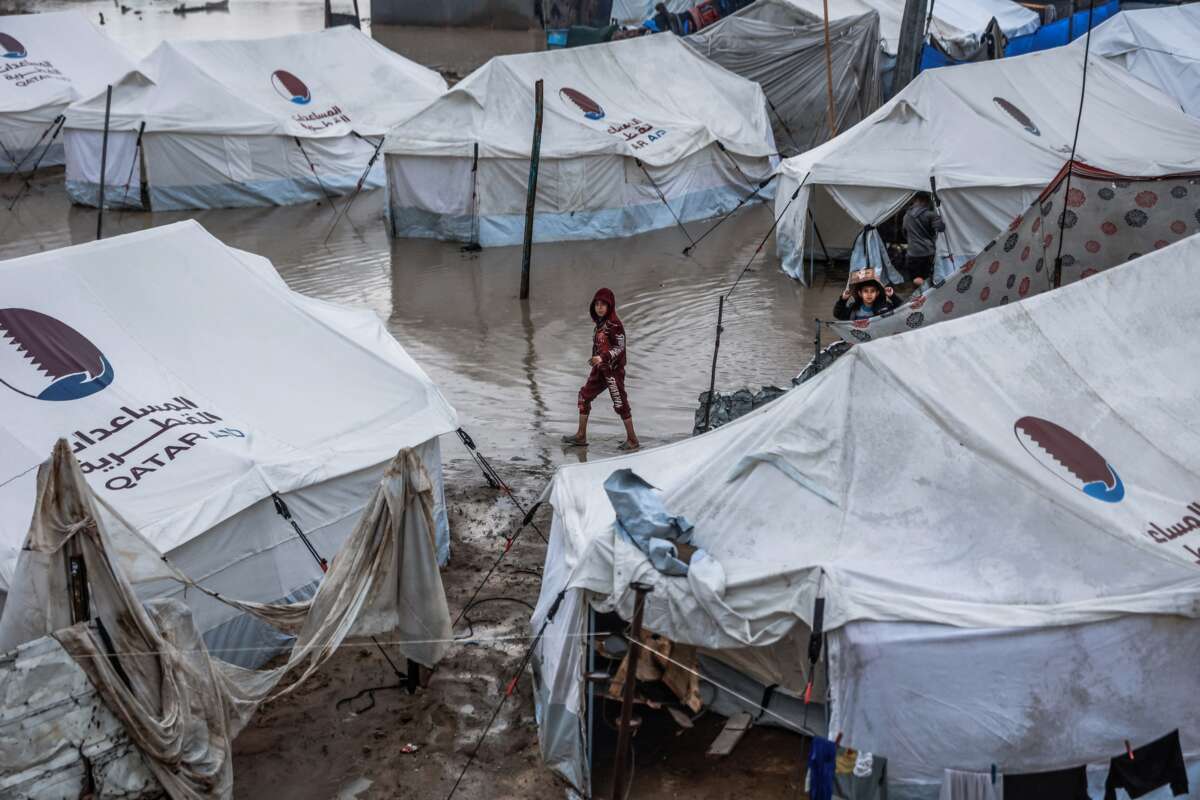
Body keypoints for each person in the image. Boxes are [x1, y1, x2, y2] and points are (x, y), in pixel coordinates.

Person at [563, 288, 640, 451]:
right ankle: (580, 436)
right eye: (597, 304)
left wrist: (603, 357)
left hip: (613, 371)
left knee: (620, 403)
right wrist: (595, 358)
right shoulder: (599, 324)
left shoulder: (615, 325)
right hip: (600, 370)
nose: (599, 308)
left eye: (603, 305)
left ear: (609, 306)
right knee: (584, 397)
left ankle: (633, 440)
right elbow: (599, 345)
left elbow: (620, 348)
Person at [900, 192, 944, 289]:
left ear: (915, 200)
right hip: (928, 252)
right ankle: (928, 296)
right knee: (929, 278)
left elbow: (904, 233)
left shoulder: (906, 215)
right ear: (926, 200)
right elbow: (940, 229)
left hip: (912, 252)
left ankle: (919, 297)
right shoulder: (931, 215)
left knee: (915, 279)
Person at [833, 268, 901, 320]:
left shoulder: (885, 307)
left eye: (872, 291)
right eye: (865, 291)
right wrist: (843, 299)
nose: (869, 294)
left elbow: (902, 309)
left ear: (877, 293)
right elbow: (838, 314)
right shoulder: (853, 309)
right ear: (860, 293)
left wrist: (892, 296)